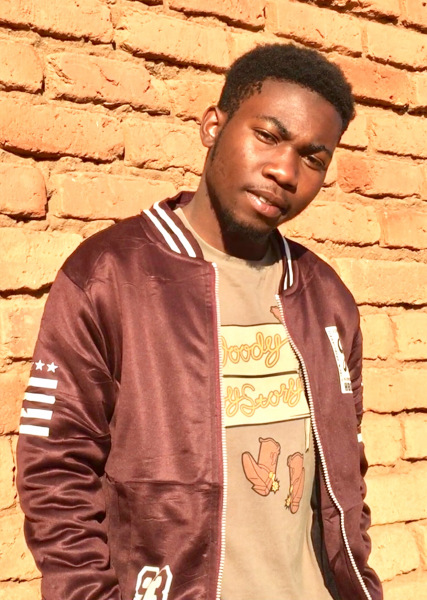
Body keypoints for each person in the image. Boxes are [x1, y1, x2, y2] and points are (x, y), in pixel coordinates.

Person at [17, 43, 382, 600]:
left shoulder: (326, 297)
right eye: (268, 135)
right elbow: (55, 473)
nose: (285, 171)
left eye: (313, 158)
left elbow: (346, 473)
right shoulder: (109, 277)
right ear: (213, 126)